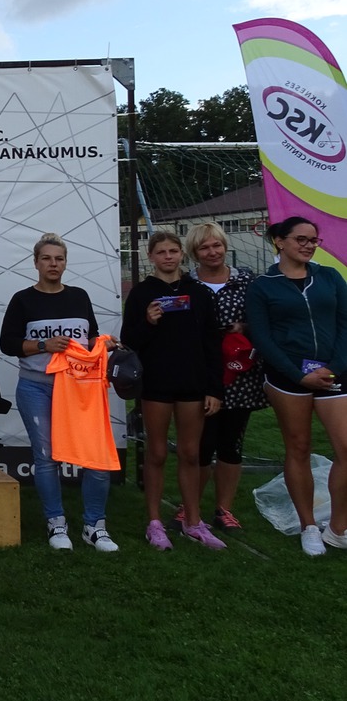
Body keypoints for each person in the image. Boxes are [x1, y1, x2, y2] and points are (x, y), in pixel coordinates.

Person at [0, 233, 118, 551]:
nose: (53, 264)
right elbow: (7, 344)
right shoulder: (23, 299)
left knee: (96, 457)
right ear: (36, 262)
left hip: (79, 390)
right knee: (46, 456)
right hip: (36, 387)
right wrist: (43, 345)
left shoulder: (79, 296)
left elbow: (89, 338)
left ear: (65, 263)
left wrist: (103, 344)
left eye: (59, 258)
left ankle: (95, 526)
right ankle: (56, 523)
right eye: (47, 258)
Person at [245, 216, 347, 556]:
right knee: (298, 448)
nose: (308, 245)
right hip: (288, 378)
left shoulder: (329, 277)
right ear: (280, 241)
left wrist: (334, 367)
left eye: (313, 240)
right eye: (301, 239)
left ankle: (338, 528)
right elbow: (262, 337)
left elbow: (345, 323)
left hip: (333, 373)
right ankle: (309, 527)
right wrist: (297, 374)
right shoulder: (263, 286)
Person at [121, 230, 225, 550]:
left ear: (182, 254)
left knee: (191, 453)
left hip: (193, 383)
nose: (168, 257)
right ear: (151, 256)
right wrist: (148, 321)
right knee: (157, 452)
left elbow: (212, 343)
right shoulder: (141, 294)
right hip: (156, 384)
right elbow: (129, 340)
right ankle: (154, 523)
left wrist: (214, 389)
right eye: (161, 252)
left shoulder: (198, 292)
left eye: (173, 251)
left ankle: (192, 521)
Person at [181, 222, 266, 532]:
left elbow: (265, 320)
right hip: (200, 373)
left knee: (231, 444)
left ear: (225, 246)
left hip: (240, 374)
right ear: (194, 253)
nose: (212, 252)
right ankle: (189, 507)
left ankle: (223, 509)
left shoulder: (247, 281)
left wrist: (244, 329)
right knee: (201, 446)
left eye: (216, 245)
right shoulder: (186, 284)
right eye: (204, 247)